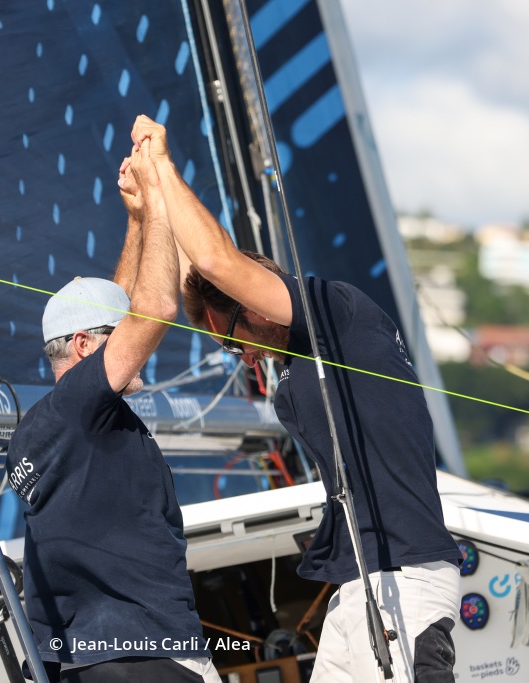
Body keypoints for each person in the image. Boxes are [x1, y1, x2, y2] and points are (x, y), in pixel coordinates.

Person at [128, 115, 462, 683]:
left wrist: (163, 163)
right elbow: (191, 277)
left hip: (406, 577)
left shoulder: (336, 312)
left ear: (254, 304)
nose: (242, 358)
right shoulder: (299, 364)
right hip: (360, 585)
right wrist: (149, 206)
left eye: (234, 342)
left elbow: (215, 264)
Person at [4, 139, 221, 683]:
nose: (133, 342)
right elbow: (155, 308)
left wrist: (137, 221)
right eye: (114, 335)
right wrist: (160, 193)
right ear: (82, 347)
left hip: (81, 658)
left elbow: (117, 302)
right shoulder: (79, 406)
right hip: (144, 650)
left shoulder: (51, 421)